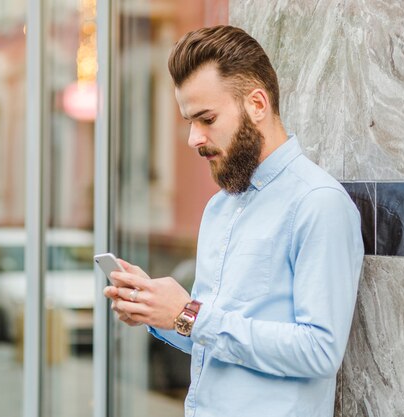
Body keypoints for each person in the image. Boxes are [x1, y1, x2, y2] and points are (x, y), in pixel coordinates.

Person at [103, 25, 364, 417]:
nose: (193, 138)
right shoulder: (219, 208)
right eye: (190, 121)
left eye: (206, 119)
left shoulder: (318, 203)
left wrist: (189, 314)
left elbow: (320, 352)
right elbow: (213, 337)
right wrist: (160, 313)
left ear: (257, 104)